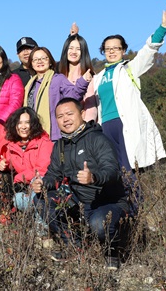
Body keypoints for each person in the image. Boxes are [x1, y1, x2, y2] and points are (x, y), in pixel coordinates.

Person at [31, 98, 130, 269]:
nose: (65, 119)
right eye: (60, 116)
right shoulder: (60, 146)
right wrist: (42, 183)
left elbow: (112, 170)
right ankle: (74, 247)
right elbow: (54, 174)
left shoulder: (98, 139)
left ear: (82, 114)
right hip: (80, 202)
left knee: (98, 224)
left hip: (107, 202)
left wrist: (94, 177)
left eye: (70, 114)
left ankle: (112, 252)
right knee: (40, 200)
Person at [92, 6, 166, 171]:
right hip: (105, 126)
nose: (111, 51)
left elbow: (148, 51)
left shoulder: (130, 68)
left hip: (125, 123)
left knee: (130, 168)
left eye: (116, 48)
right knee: (112, 170)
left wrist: (163, 28)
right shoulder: (97, 77)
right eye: (107, 49)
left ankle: (135, 190)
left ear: (123, 50)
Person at [23, 47, 91, 141]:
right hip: (33, 135)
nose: (39, 61)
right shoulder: (29, 84)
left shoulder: (57, 79)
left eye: (43, 58)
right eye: (35, 59)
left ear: (50, 61)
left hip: (53, 135)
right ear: (31, 63)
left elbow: (73, 96)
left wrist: (83, 81)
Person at [4, 107, 52, 218]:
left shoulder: (44, 142)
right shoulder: (12, 145)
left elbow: (42, 170)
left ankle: (41, 225)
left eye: (27, 122)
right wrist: (5, 164)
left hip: (42, 185)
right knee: (17, 199)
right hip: (25, 186)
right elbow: (11, 163)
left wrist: (18, 178)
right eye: (19, 123)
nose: (23, 126)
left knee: (37, 182)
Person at [56, 27, 97, 121]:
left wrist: (87, 125)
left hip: (80, 123)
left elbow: (90, 105)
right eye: (70, 48)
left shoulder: (88, 74)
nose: (74, 52)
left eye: (78, 49)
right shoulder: (57, 73)